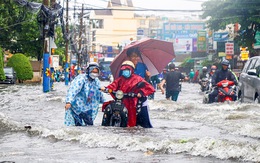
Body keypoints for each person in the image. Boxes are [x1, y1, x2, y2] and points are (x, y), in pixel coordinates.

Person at [100, 61, 155, 128]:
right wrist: (105, 88)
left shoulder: (137, 79)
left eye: (127, 69)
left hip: (133, 101)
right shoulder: (120, 79)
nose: (125, 71)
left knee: (134, 122)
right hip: (122, 100)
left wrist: (140, 93)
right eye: (124, 70)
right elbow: (113, 86)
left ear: (131, 70)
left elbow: (150, 88)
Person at [64, 62, 105, 126]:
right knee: (78, 126)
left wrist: (105, 103)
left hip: (88, 109)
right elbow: (73, 90)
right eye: (93, 71)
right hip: (77, 108)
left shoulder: (96, 81)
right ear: (88, 71)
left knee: (89, 126)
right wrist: (68, 102)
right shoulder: (81, 79)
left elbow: (99, 93)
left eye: (96, 72)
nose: (94, 74)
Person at [125, 47, 154, 128]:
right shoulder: (125, 67)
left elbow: (147, 83)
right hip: (129, 97)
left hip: (141, 96)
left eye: (137, 56)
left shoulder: (143, 66)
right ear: (128, 57)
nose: (135, 58)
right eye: (133, 56)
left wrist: (148, 76)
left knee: (145, 124)